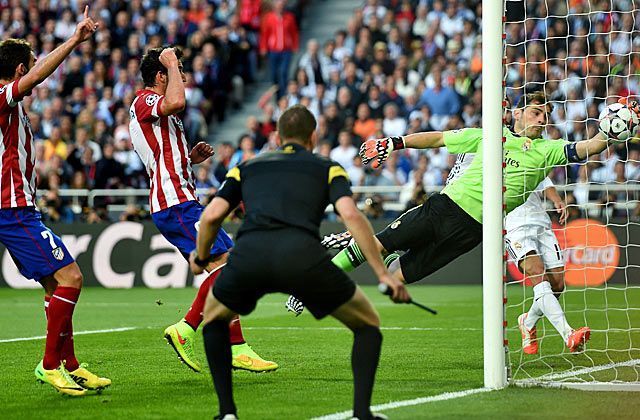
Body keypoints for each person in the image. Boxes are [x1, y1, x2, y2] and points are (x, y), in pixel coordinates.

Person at [330, 92, 633, 355]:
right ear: (518, 113)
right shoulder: (489, 135)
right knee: (379, 244)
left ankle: (379, 254)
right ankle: (319, 282)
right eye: (535, 112)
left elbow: (589, 147)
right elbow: (437, 138)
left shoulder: (548, 150)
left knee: (396, 278)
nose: (541, 119)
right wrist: (395, 142)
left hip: (473, 231)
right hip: (443, 208)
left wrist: (613, 128)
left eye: (545, 115)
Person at [189, 105, 409, 420]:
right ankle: (362, 414)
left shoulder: (245, 167)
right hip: (303, 258)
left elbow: (211, 216)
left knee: (213, 321)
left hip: (251, 255)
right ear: (313, 136)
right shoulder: (328, 167)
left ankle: (227, 413)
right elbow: (350, 215)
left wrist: (199, 258)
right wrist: (381, 274)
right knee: (367, 324)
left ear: (277, 137)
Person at [129, 46, 277, 374]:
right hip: (175, 203)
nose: (182, 75)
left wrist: (188, 159)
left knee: (218, 268)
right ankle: (187, 329)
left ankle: (236, 346)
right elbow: (177, 101)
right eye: (176, 69)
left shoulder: (153, 109)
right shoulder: (145, 100)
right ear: (159, 76)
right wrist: (168, 59)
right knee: (230, 264)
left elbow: (160, 154)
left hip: (178, 201)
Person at [0, 7, 110, 396]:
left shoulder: (11, 107)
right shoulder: (2, 96)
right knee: (72, 277)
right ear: (18, 72)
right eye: (28, 68)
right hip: (10, 211)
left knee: (55, 287)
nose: (34, 74)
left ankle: (71, 365)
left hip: (19, 208)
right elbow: (39, 75)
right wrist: (75, 41)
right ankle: (49, 365)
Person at [447, 154, 589, 353]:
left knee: (557, 285)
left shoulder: (522, 149)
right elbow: (455, 181)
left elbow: (541, 176)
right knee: (539, 275)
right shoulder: (477, 152)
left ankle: (528, 322)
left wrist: (557, 199)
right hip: (513, 226)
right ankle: (569, 334)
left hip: (540, 221)